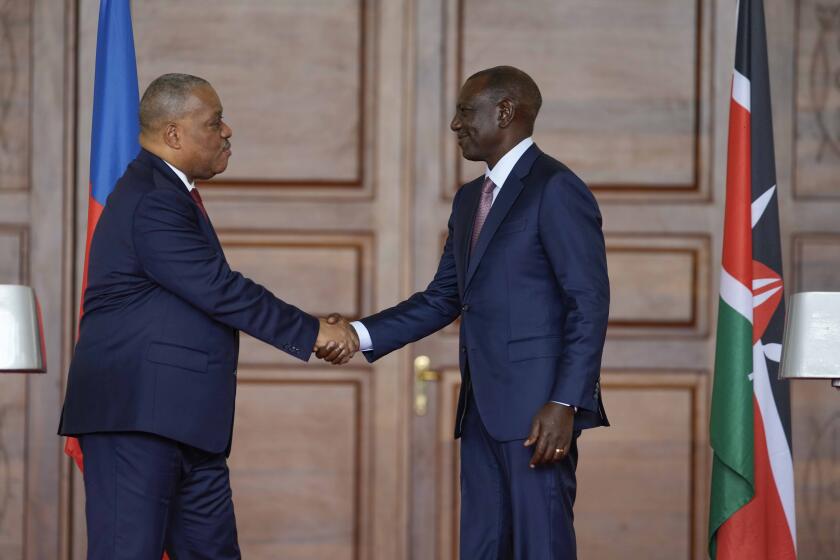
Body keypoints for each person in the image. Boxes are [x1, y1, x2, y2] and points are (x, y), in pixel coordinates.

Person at [58, 73, 358, 559]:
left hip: (186, 425)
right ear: (174, 134)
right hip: (138, 420)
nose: (228, 131)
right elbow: (218, 290)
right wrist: (313, 331)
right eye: (214, 122)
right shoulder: (152, 198)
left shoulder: (168, 194)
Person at [323, 66, 610, 558]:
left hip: (539, 416)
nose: (455, 125)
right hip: (481, 411)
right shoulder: (469, 199)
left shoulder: (556, 188)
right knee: (482, 545)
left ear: (505, 111)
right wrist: (357, 332)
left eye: (464, 112)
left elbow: (588, 304)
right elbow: (443, 299)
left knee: (541, 545)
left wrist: (566, 402)